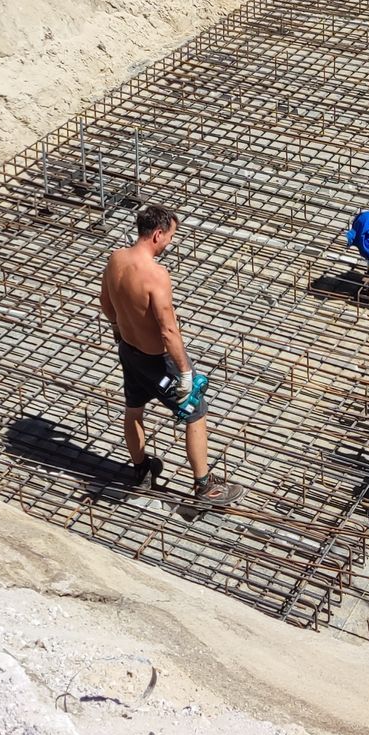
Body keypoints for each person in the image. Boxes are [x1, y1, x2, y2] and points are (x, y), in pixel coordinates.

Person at [100, 204, 238, 509]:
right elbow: (168, 331)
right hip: (156, 360)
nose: (170, 244)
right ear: (157, 234)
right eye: (169, 237)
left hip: (129, 352)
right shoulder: (155, 275)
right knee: (196, 412)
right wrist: (185, 372)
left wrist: (119, 330)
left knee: (134, 409)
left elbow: (106, 303)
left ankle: (141, 470)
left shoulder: (116, 259)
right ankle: (204, 486)